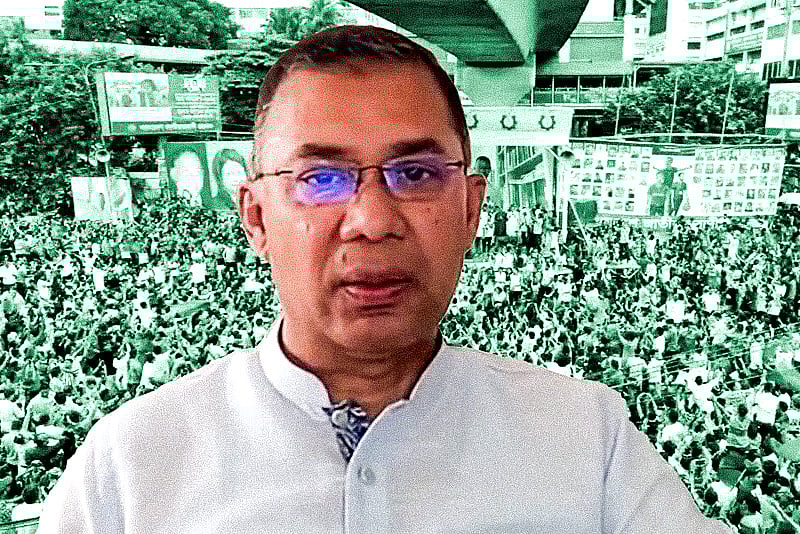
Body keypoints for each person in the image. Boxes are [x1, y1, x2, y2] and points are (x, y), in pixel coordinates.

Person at [40, 25, 729, 532]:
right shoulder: (127, 471)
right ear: (256, 217)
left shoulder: (587, 441)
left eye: (417, 173)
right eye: (320, 179)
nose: (371, 220)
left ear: (471, 209)